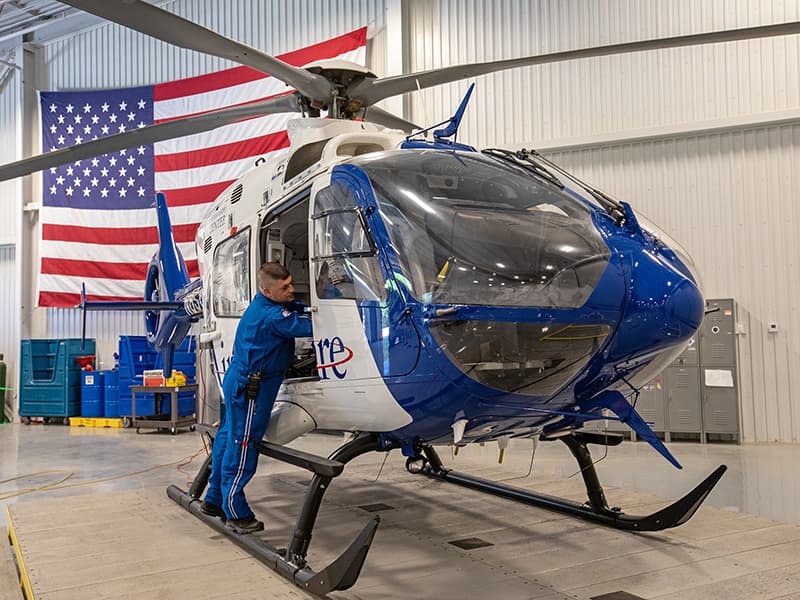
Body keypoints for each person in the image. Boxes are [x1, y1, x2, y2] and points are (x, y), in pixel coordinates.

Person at [201, 261, 313, 533]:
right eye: (285, 287)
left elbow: (287, 311)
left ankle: (214, 499)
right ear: (267, 290)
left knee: (228, 436)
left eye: (291, 284)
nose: (292, 290)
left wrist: (297, 306)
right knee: (243, 443)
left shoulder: (263, 304)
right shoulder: (273, 317)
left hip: (241, 380)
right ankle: (235, 510)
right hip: (253, 389)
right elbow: (304, 327)